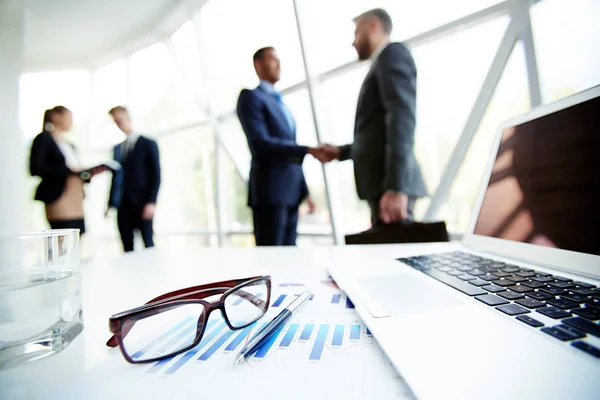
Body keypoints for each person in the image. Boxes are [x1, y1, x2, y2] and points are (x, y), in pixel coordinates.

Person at [319, 9, 428, 225]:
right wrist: (341, 151)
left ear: (374, 25)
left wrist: (396, 186)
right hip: (383, 184)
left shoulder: (392, 54)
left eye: (357, 33)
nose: (353, 42)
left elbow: (401, 117)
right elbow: (377, 135)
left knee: (396, 254)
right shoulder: (382, 62)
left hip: (389, 185)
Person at [236, 47, 325, 246]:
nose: (279, 65)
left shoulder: (281, 104)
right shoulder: (251, 97)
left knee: (289, 256)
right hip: (270, 193)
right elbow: (261, 144)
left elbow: (290, 150)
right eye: (273, 60)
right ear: (258, 64)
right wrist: (307, 149)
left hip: (292, 192)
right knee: (271, 257)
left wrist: (305, 192)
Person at [30, 106, 105, 233]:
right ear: (55, 116)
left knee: (79, 232)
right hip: (58, 194)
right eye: (68, 118)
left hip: (76, 193)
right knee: (62, 234)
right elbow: (36, 169)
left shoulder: (69, 144)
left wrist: (87, 174)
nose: (71, 122)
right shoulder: (43, 139)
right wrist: (69, 171)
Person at [106, 106, 161, 252]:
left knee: (148, 244)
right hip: (123, 205)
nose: (119, 124)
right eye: (116, 122)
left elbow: (156, 175)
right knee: (126, 246)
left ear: (129, 118)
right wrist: (111, 202)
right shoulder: (117, 148)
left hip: (142, 204)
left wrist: (151, 202)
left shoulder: (148, 144)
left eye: (120, 120)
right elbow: (116, 177)